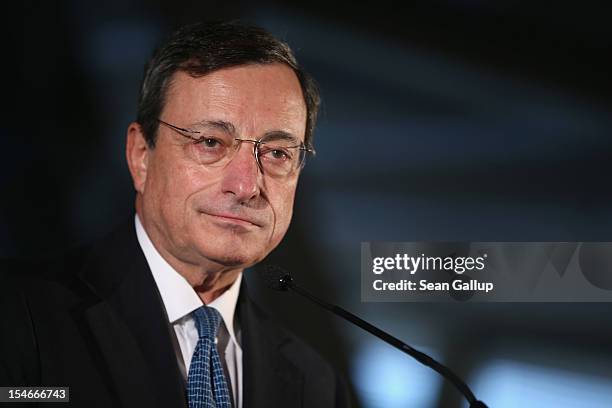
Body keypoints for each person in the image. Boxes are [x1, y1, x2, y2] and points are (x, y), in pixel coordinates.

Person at [0, 21, 349, 408]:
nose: (247, 186)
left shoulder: (317, 386)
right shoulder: (17, 316)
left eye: (277, 153)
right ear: (141, 156)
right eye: (211, 142)